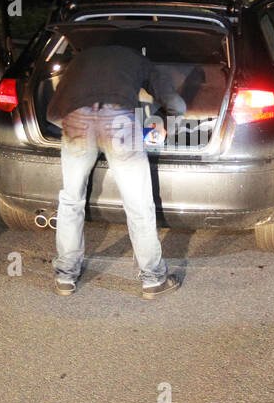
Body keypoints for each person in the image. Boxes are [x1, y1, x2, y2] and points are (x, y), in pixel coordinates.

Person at [46, 41, 187, 298]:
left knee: (71, 199)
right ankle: (153, 279)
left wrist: (78, 133)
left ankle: (65, 275)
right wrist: (166, 124)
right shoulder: (139, 59)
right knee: (138, 204)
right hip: (119, 122)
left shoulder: (80, 59)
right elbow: (175, 103)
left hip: (76, 120)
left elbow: (53, 112)